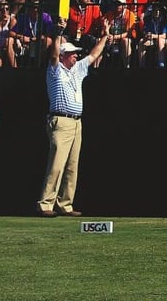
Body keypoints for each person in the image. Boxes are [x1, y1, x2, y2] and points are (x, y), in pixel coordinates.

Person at [37, 35, 107, 217]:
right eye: (72, 53)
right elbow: (53, 56)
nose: (76, 56)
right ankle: (45, 204)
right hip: (61, 121)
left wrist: (106, 36)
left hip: (77, 122)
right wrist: (57, 34)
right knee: (56, 165)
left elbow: (93, 55)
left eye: (76, 54)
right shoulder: (55, 70)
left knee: (72, 166)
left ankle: (65, 204)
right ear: (63, 56)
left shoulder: (78, 69)